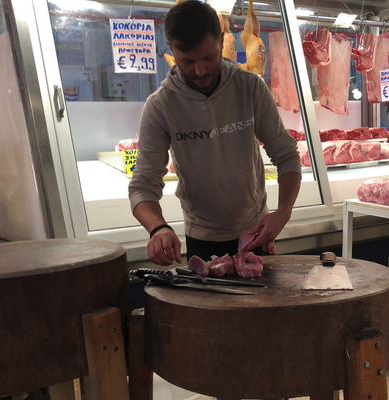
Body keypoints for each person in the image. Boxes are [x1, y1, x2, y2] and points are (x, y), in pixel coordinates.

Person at [129, 1, 302, 265]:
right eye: (187, 61)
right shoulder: (161, 105)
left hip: (256, 232)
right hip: (202, 237)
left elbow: (286, 154)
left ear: (221, 41)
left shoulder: (250, 88)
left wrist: (284, 211)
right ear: (173, 50)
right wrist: (158, 228)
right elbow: (143, 185)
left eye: (208, 58)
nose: (200, 71)